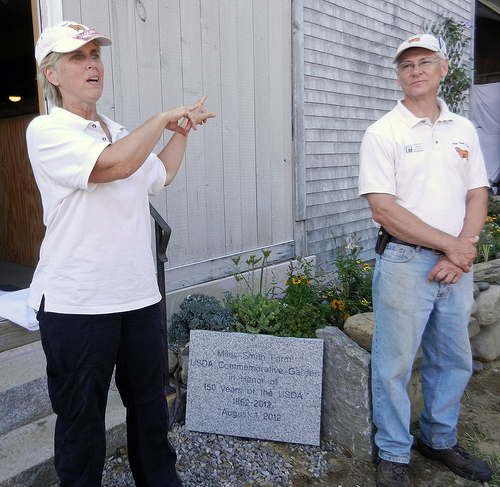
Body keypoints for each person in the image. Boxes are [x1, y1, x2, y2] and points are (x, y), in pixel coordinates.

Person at [27, 21, 215, 487]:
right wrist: (160, 119)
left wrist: (182, 132)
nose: (92, 63)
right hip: (78, 304)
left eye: (95, 53)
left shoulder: (116, 129)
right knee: (81, 420)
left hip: (137, 296)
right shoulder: (47, 130)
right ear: (52, 74)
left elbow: (159, 174)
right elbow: (116, 165)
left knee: (150, 406)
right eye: (78, 56)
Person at [358, 34, 493, 487]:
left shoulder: (463, 130)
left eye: (424, 61)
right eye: (406, 65)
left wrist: (463, 248)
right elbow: (384, 208)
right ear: (398, 75)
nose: (415, 70)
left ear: (443, 68)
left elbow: (477, 192)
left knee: (452, 358)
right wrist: (452, 246)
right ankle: (394, 452)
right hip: (404, 262)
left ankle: (438, 439)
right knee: (394, 363)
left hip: (456, 265)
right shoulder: (383, 132)